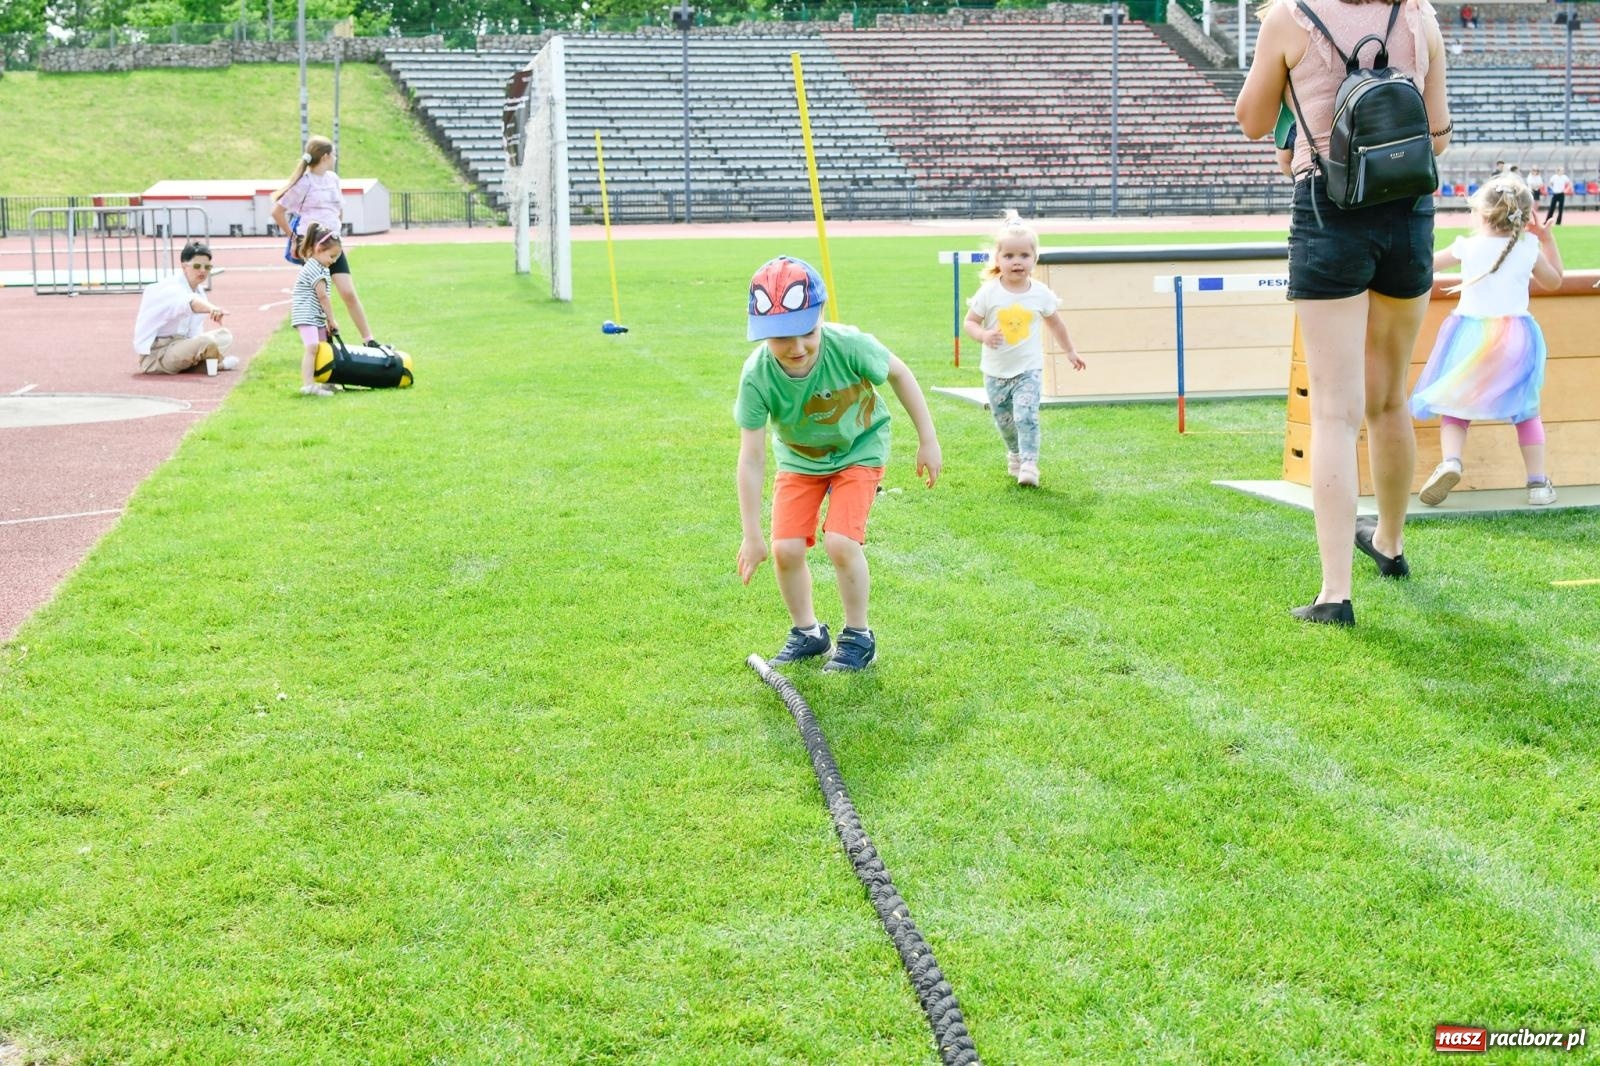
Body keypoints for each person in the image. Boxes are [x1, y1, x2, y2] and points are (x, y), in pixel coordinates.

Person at [1236, 0, 1452, 627]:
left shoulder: (1288, 18)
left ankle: (1336, 593)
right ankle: (1389, 542)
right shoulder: (1420, 15)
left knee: (1333, 413)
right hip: (1408, 212)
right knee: (1389, 398)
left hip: (1330, 211)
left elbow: (1252, 123)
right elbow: (1438, 132)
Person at [734, 256, 942, 672]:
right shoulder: (757, 376)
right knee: (785, 549)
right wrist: (751, 535)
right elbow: (752, 457)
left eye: (807, 332)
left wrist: (928, 439)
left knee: (841, 543)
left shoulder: (849, 345)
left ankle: (858, 637)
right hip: (800, 460)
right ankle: (808, 633)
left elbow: (899, 373)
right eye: (780, 338)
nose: (796, 348)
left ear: (822, 317)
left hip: (859, 450)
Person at [1411, 174, 1565, 506]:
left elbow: (1424, 268)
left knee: (1455, 405)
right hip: (1517, 340)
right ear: (1524, 217)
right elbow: (1554, 282)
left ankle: (1451, 461)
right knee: (1526, 410)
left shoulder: (1467, 246)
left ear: (1481, 214)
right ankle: (1537, 484)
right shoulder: (1529, 247)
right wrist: (1547, 240)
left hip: (1469, 335)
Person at [963, 212, 1085, 486]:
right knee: (1005, 422)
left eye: (1023, 255)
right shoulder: (989, 292)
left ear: (1034, 258)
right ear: (997, 259)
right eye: (1008, 256)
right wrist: (983, 335)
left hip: (1028, 370)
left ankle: (1030, 464)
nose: (1016, 261)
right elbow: (970, 322)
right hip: (995, 372)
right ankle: (1015, 453)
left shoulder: (1040, 293)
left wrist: (1069, 351)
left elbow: (1056, 324)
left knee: (1026, 414)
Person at [271, 135, 384, 347]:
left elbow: (338, 208)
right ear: (325, 157)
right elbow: (277, 212)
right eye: (333, 154)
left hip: (332, 242)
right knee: (320, 296)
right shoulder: (303, 183)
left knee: (348, 292)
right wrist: (295, 239)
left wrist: (337, 234)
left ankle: (369, 339)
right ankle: (324, 343)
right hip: (312, 245)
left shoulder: (333, 179)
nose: (335, 157)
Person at [132, 240, 239, 375]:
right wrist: (212, 308)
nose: (202, 271)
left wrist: (198, 346)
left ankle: (200, 364)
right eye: (197, 266)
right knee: (207, 342)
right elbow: (189, 302)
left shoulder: (199, 292)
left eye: (207, 267)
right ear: (184, 266)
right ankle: (218, 365)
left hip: (181, 345)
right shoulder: (171, 287)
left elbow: (195, 332)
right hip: (158, 354)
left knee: (224, 336)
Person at [292, 222, 344, 397]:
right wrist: (331, 319)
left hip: (315, 316)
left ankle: (327, 383)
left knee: (323, 348)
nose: (334, 261)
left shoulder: (321, 267)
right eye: (332, 256)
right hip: (306, 315)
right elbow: (323, 297)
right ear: (319, 248)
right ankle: (308, 386)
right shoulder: (315, 268)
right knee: (312, 347)